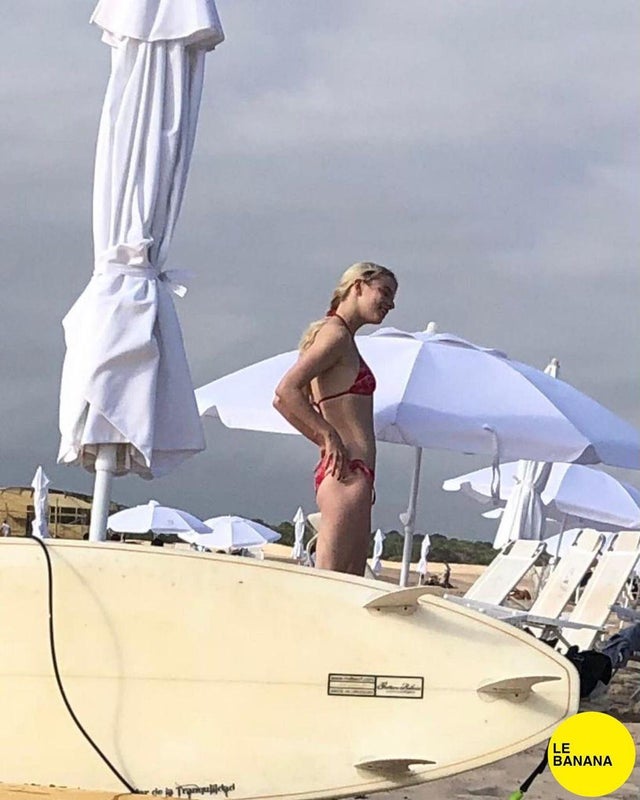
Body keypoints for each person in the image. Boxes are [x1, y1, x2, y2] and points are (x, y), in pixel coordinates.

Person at [273, 262, 397, 576]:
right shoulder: (336, 335)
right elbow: (285, 392)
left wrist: (325, 439)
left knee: (347, 582)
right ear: (358, 286)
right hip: (347, 475)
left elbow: (286, 400)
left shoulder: (339, 336)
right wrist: (328, 437)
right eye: (384, 292)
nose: (391, 304)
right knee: (332, 583)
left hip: (350, 474)